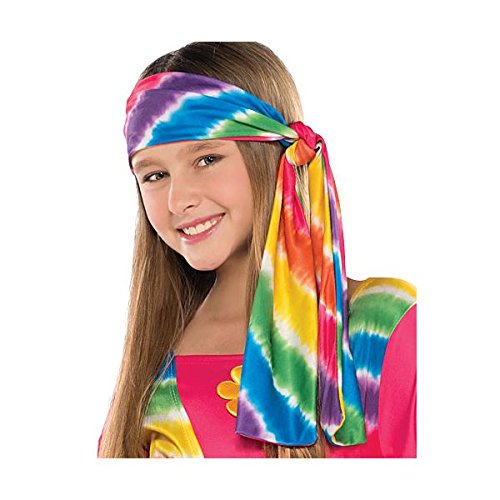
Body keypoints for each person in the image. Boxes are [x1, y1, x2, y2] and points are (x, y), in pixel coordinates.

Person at [97, 42, 417, 459]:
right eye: (155, 175)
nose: (178, 200)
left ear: (272, 155)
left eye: (207, 159)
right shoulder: (150, 379)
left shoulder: (383, 329)